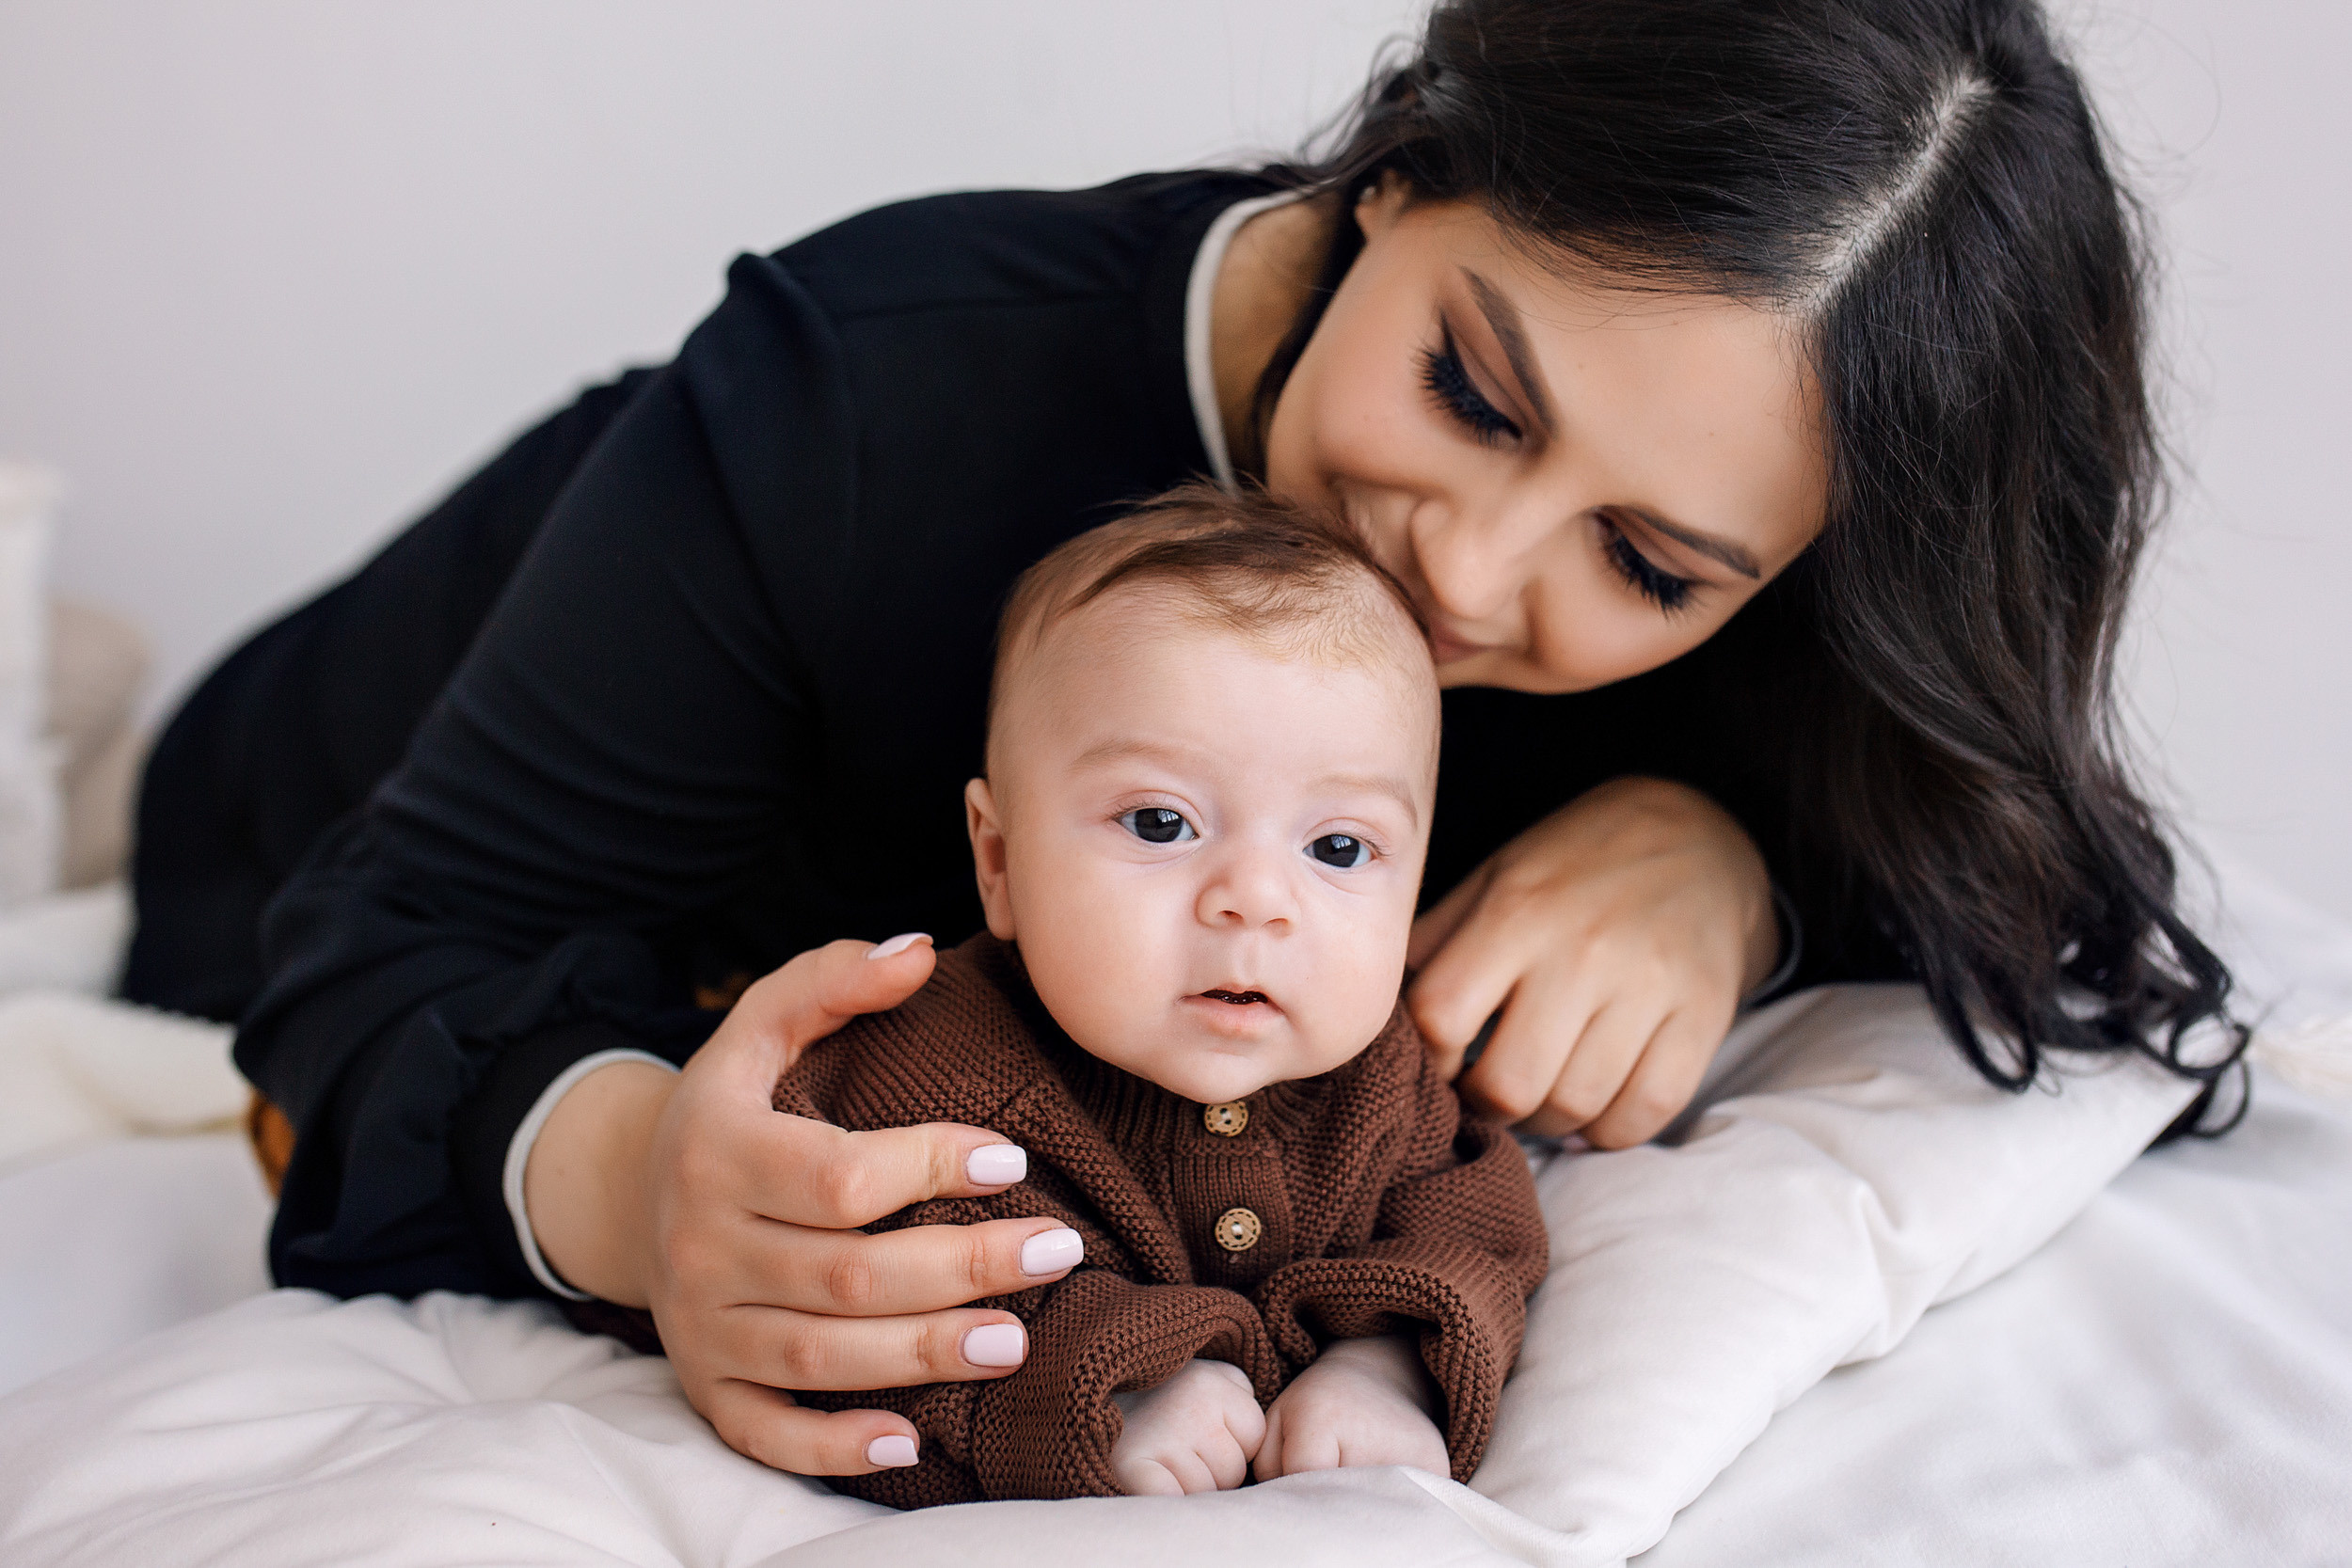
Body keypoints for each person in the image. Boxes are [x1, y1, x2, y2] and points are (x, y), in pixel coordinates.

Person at [126, 0, 2244, 1482]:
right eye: (1470, 393)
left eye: (1650, 565)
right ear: (1393, 178)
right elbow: (369, 949)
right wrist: (634, 1177)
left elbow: (2014, 870)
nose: (1469, 571)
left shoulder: (1756, 568)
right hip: (308, 774)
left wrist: (1728, 861)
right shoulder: (862, 383)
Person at [584, 487, 1549, 1504]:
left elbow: (1474, 1226)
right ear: (997, 860)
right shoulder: (925, 1072)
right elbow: (853, 1307)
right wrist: (1113, 1384)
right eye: (1161, 823)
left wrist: (1385, 1362)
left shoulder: (1378, 1077)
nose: (1256, 901)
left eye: (1339, 847)